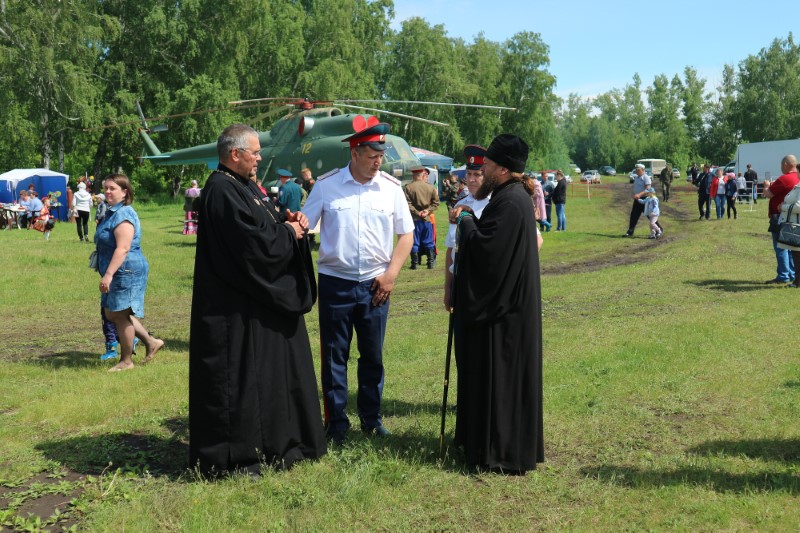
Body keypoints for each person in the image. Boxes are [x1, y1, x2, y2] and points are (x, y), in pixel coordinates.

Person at [189, 124, 326, 476]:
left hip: (256, 303)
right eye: (255, 152)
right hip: (233, 310)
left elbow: (264, 223)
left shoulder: (245, 185)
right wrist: (288, 233)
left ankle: (284, 441)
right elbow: (251, 246)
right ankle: (245, 453)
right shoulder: (221, 190)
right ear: (235, 154)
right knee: (240, 381)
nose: (260, 158)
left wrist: (288, 219)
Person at [302, 122, 414, 444]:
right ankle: (336, 423)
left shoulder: (391, 188)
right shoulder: (327, 186)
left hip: (376, 285)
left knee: (372, 356)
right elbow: (304, 225)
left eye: (381, 156)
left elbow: (406, 235)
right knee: (334, 356)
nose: (379, 162)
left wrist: (391, 275)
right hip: (336, 283)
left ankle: (371, 419)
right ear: (355, 153)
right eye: (372, 156)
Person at [449, 133, 543, 473]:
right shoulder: (510, 197)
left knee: (502, 380)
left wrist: (465, 220)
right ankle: (489, 444)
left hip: (506, 316)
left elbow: (489, 254)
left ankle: (500, 451)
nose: (482, 171)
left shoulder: (510, 201)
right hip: (509, 308)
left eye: (487, 165)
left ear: (502, 169)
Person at [95, 174, 164, 373]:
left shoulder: (123, 214)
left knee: (118, 313)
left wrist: (108, 274)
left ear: (125, 192)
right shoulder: (112, 212)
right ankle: (151, 342)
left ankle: (126, 361)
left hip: (125, 269)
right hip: (119, 268)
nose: (108, 191)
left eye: (113, 188)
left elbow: (123, 248)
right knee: (113, 312)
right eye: (106, 188)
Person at [444, 145, 490, 314]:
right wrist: (448, 288)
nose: (471, 179)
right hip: (461, 283)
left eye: (477, 175)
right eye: (469, 174)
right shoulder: (459, 204)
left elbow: (535, 240)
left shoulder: (499, 203)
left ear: (488, 175)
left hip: (487, 285)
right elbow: (451, 249)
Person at [765, 155, 799, 284]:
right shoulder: (797, 178)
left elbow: (768, 194)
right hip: (793, 217)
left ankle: (784, 274)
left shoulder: (784, 178)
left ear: (785, 164)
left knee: (780, 247)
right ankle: (791, 273)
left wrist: (767, 186)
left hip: (780, 216)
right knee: (791, 246)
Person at [404, 165, 440, 269]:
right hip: (427, 219)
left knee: (415, 241)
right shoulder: (430, 187)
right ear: (422, 174)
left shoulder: (408, 187)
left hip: (414, 219)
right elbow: (436, 203)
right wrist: (427, 211)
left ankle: (414, 264)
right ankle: (430, 263)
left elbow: (407, 204)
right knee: (429, 240)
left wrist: (417, 212)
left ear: (413, 174)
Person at [777, 181, 800, 288]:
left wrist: (783, 207)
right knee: (796, 254)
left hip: (797, 225)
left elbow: (798, 207)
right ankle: (797, 281)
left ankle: (798, 282)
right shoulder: (797, 186)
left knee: (797, 254)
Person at [623, 164, 651, 236]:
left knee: (650, 215)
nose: (636, 171)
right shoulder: (637, 177)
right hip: (637, 200)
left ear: (643, 170)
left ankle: (658, 229)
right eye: (636, 170)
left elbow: (648, 189)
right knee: (634, 215)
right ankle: (630, 231)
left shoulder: (646, 177)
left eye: (638, 170)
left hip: (645, 199)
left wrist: (639, 195)